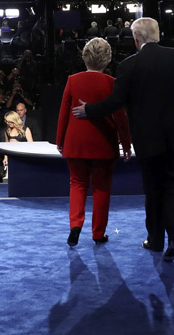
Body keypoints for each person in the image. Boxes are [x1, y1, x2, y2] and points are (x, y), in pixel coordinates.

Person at [73, 17, 174, 261]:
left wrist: (89, 110)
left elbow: (115, 102)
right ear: (157, 35)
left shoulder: (129, 65)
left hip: (148, 140)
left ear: (136, 39)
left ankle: (155, 241)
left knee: (153, 190)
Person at [56, 38, 131, 246]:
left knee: (77, 184)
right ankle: (98, 233)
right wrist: (126, 144)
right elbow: (121, 117)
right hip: (104, 142)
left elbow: (63, 113)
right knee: (101, 188)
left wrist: (60, 139)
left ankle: (75, 226)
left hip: (76, 141)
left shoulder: (73, 80)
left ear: (84, 57)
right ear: (107, 60)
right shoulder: (111, 83)